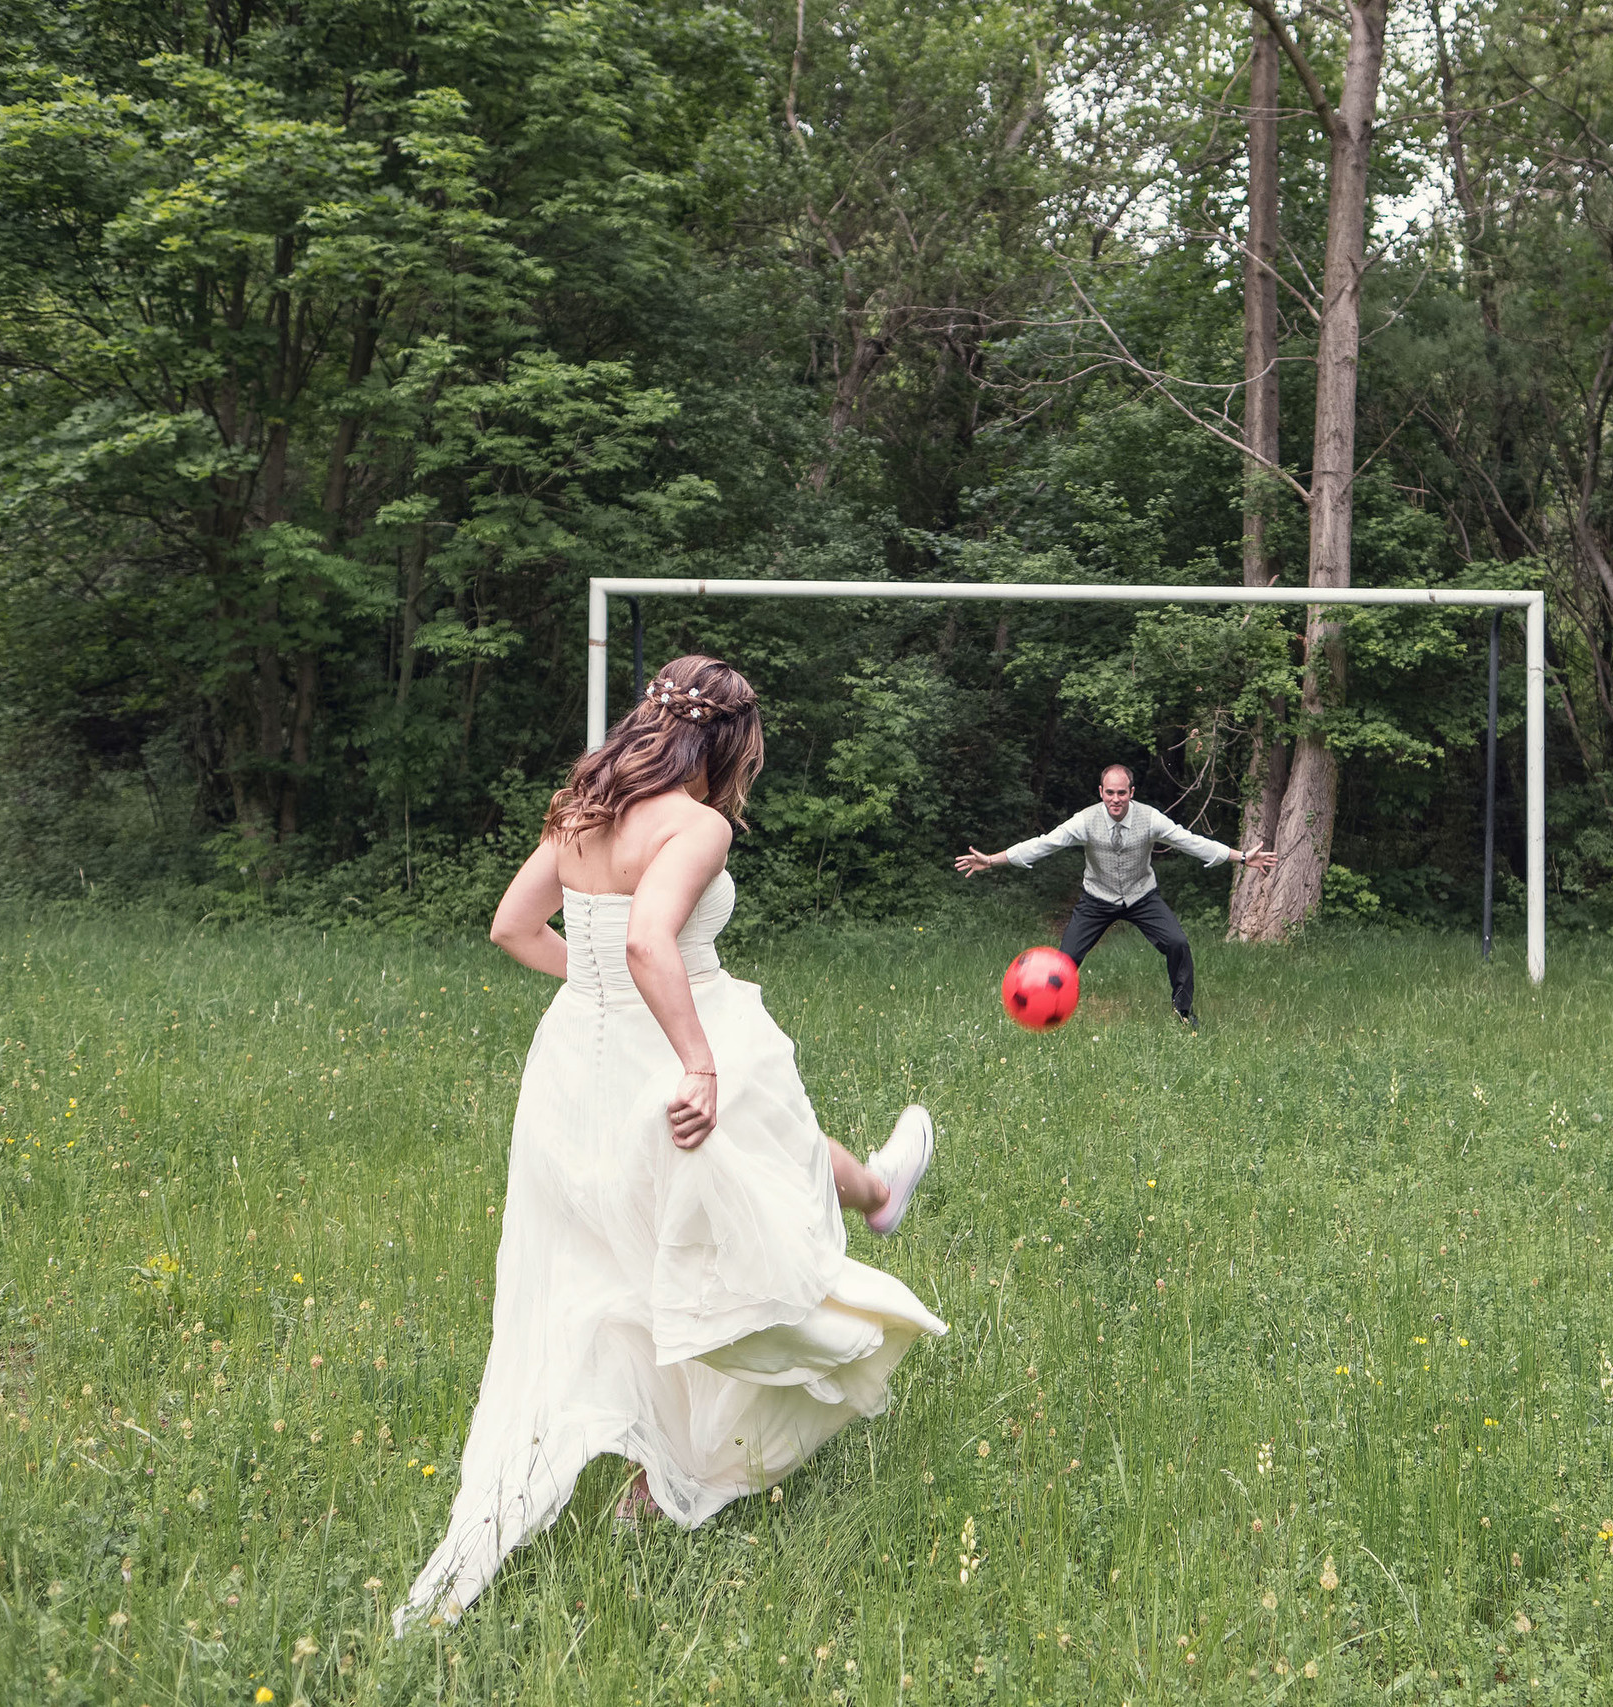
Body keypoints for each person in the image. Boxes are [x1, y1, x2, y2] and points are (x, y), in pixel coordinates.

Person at [396, 655, 944, 1631]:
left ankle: (874, 1191)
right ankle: (679, 1467)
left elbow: (513, 929)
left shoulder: (580, 810)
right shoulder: (698, 825)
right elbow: (651, 941)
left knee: (632, 1261)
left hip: (578, 1064)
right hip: (666, 1044)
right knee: (713, 1258)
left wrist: (596, 988)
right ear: (732, 742)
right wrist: (693, 1061)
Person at [954, 764, 1277, 1029]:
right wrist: (993, 859)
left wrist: (1243, 857)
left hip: (1142, 895)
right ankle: (1047, 1014)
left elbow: (1190, 841)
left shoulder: (1150, 818)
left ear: (1131, 793)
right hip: (1097, 897)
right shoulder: (1085, 820)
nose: (1116, 799)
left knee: (1178, 943)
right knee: (1063, 964)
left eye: (1122, 792)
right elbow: (1043, 844)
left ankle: (1183, 1011)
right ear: (1101, 792)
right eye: (1109, 792)